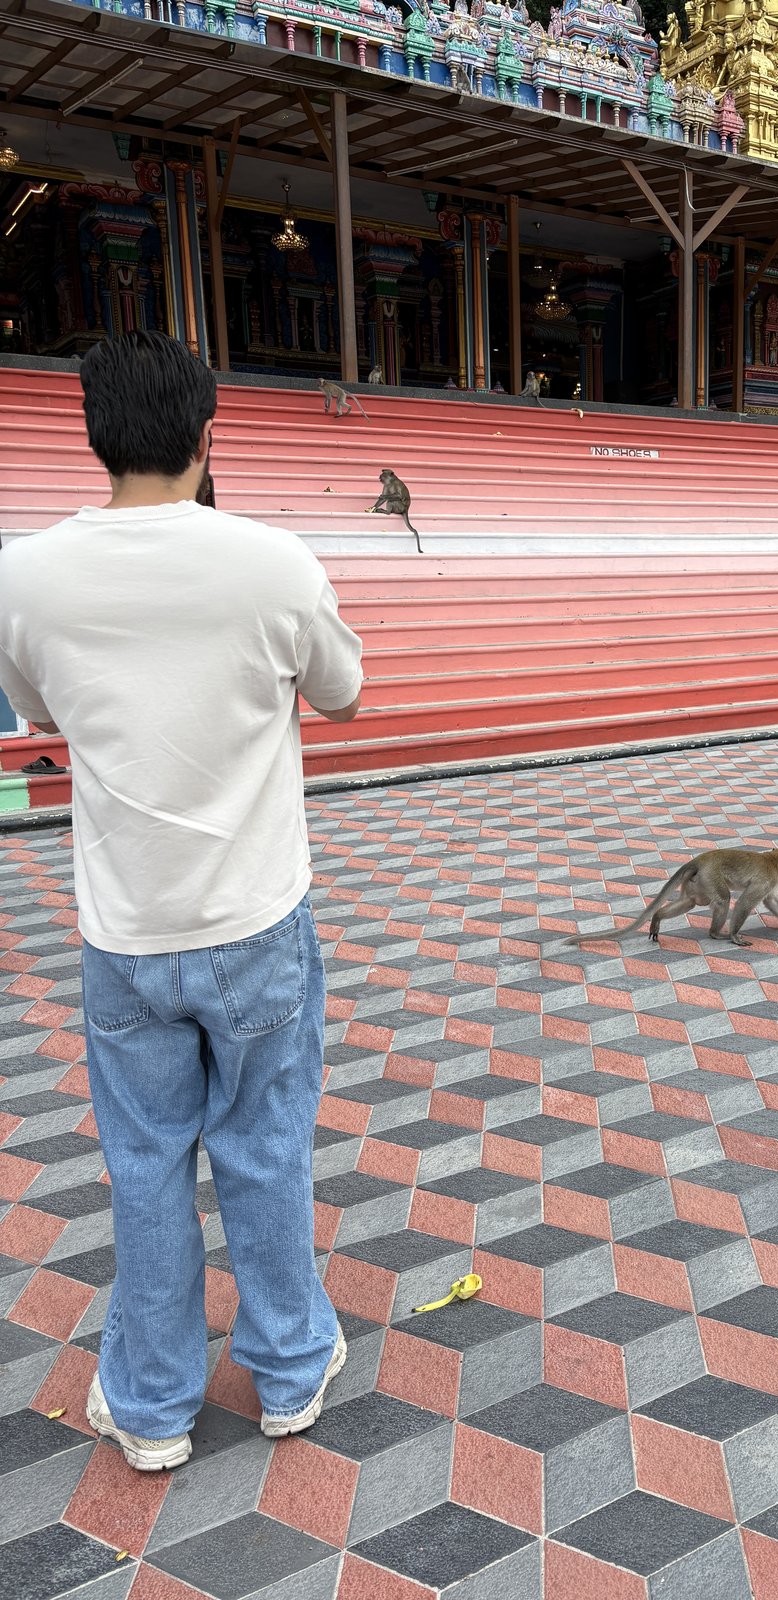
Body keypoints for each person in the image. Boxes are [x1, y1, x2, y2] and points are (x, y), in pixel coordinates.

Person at [0, 333, 363, 1469]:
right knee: (266, 1144)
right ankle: (291, 1371)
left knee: (146, 1161)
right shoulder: (273, 563)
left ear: (94, 436)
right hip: (256, 918)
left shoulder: (23, 574)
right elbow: (345, 695)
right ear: (211, 436)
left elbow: (31, 704)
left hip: (126, 930)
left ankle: (153, 1407)